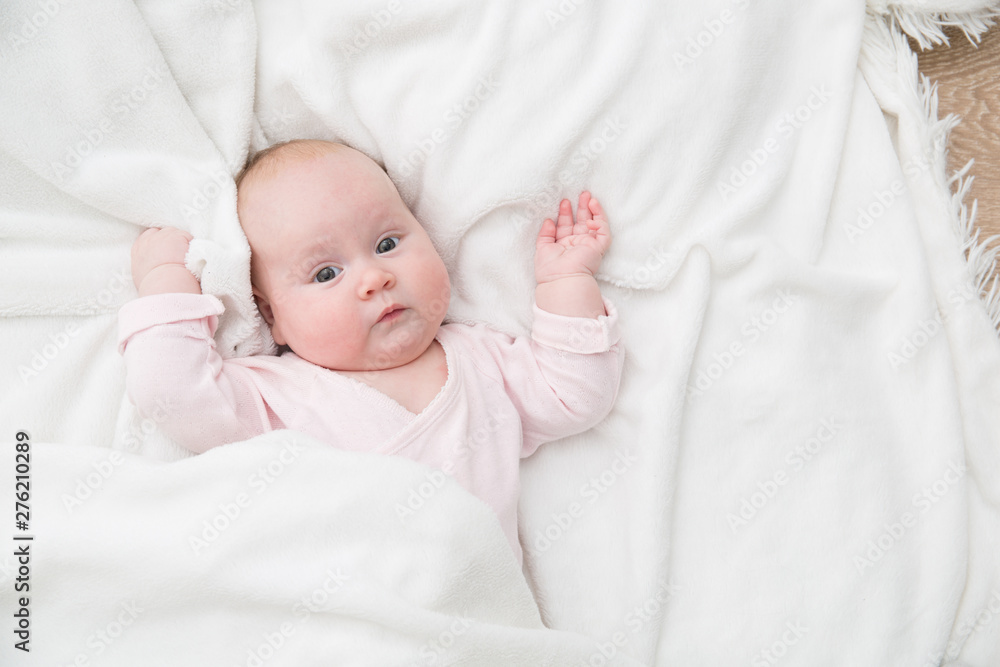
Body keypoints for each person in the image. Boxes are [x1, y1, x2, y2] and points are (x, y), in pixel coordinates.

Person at [119, 139, 623, 563]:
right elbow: (173, 390)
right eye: (325, 274)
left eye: (386, 244)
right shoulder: (277, 398)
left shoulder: (482, 362)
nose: (374, 277)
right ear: (273, 318)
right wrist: (167, 279)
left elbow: (573, 394)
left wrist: (566, 280)